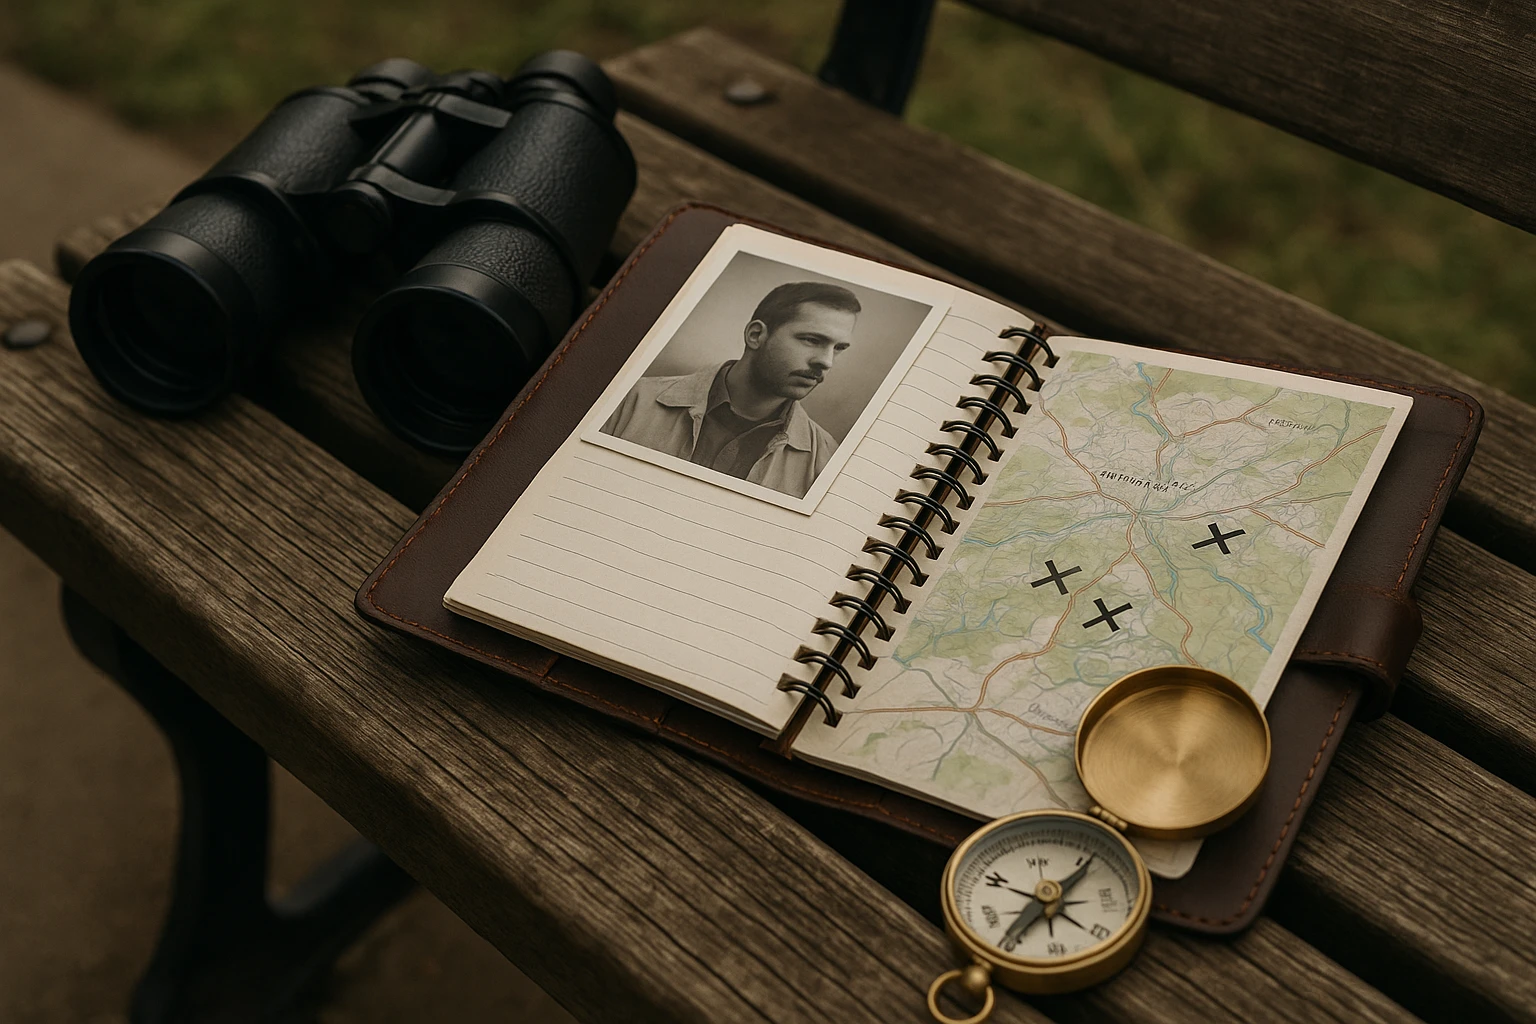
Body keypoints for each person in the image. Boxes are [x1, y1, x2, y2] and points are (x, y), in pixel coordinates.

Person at [602, 281, 861, 499]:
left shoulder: (827, 459)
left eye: (839, 349)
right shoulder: (630, 400)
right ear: (756, 335)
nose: (826, 361)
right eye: (812, 340)